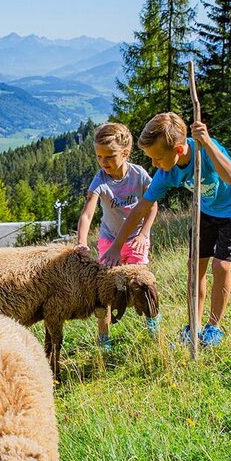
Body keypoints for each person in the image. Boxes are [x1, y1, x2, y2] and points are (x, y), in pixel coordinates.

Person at [101, 112, 231, 347]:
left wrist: (208, 144)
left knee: (221, 265)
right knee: (195, 268)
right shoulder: (166, 173)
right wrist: (116, 246)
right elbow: (140, 209)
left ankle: (213, 328)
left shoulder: (205, 149)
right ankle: (193, 325)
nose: (154, 165)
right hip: (205, 210)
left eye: (158, 158)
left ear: (180, 150)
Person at [75, 122, 160, 349]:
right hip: (108, 240)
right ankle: (104, 338)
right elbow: (87, 214)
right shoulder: (100, 180)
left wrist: (144, 234)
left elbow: (152, 206)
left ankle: (153, 325)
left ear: (125, 153)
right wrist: (82, 243)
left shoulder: (139, 175)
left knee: (143, 284)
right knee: (105, 290)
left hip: (135, 241)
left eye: (109, 156)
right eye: (99, 157)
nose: (104, 162)